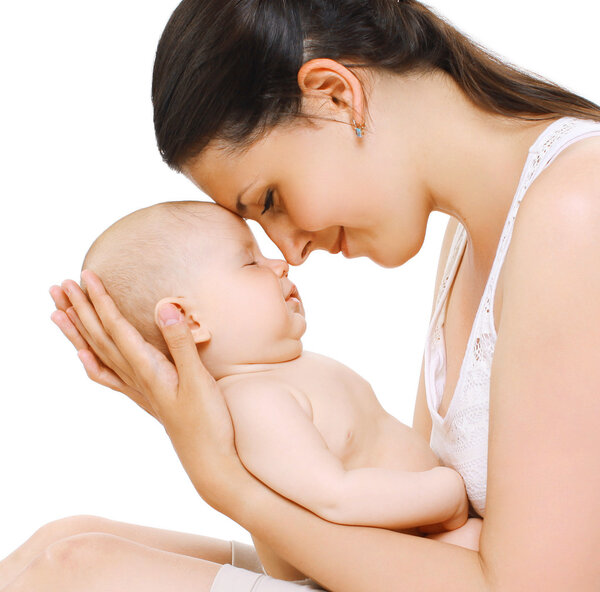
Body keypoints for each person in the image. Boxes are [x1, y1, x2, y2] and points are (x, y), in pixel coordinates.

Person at [12, 0, 600, 589]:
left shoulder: (577, 210)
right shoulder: (469, 240)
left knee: (76, 572)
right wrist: (224, 423)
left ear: (333, 96)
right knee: (64, 540)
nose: (290, 253)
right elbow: (406, 542)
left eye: (269, 199)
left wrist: (230, 484)